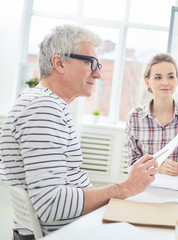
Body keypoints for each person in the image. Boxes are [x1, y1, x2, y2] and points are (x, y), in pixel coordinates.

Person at [0, 24, 158, 238]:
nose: (98, 73)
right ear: (59, 63)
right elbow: (51, 205)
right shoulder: (42, 109)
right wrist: (124, 188)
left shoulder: (46, 104)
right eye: (90, 62)